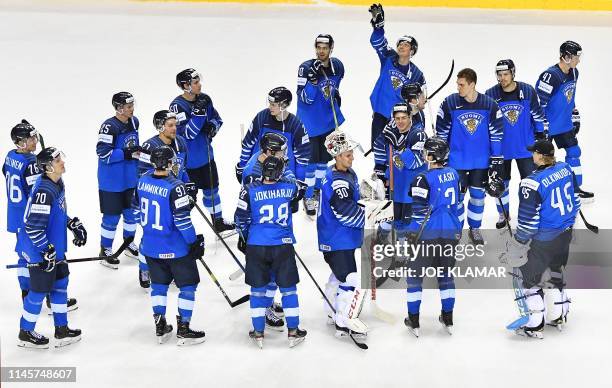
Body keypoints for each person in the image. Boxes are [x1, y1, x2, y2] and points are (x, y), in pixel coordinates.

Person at [499, 139, 579, 338]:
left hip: (544, 239)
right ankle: (558, 314)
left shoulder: (531, 183)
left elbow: (528, 222)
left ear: (540, 156)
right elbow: (576, 199)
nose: (531, 155)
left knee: (529, 281)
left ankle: (534, 324)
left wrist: (518, 243)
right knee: (555, 271)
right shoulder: (566, 168)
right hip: (565, 233)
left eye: (534, 152)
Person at [136, 145, 206, 346]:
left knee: (158, 286)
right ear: (168, 163)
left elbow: (138, 204)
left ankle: (160, 325)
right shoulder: (176, 186)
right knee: (188, 287)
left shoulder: (142, 181)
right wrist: (194, 242)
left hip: (150, 246)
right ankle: (183, 328)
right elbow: (182, 221)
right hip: (175, 248)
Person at [234, 155, 306, 349]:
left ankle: (258, 332)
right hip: (282, 245)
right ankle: (293, 331)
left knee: (257, 291)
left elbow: (239, 220)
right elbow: (301, 187)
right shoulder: (289, 188)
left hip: (256, 245)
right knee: (288, 290)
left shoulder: (248, 190)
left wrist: (248, 237)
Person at [17, 147, 86, 348]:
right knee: (39, 291)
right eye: (57, 161)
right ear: (48, 167)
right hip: (39, 250)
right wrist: (45, 251)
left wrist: (71, 223)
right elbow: (33, 226)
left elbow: (56, 213)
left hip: (54, 248)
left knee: (60, 283)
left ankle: (61, 329)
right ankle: (25, 331)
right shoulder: (44, 192)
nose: (62, 162)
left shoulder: (57, 182)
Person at [435, 68, 504, 245]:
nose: (458, 88)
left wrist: (496, 160)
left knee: (477, 196)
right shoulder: (449, 102)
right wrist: (439, 156)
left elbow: (496, 133)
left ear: (472, 84)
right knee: (456, 198)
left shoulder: (489, 104)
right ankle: (456, 230)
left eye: (462, 84)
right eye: (457, 84)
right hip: (455, 162)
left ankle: (475, 228)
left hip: (480, 162)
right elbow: (441, 133)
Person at [404, 137, 462, 337]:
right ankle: (448, 317)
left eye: (425, 151)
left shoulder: (422, 179)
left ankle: (414, 320)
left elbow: (419, 214)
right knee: (446, 276)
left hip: (427, 235)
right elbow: (458, 205)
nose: (423, 154)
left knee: (414, 278)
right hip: (450, 233)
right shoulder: (453, 174)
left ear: (431, 155)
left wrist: (410, 237)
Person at [240, 132, 297, 330]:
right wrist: (245, 236)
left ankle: (267, 303)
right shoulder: (254, 172)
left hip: (268, 233)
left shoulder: (269, 164)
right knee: (268, 275)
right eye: (281, 151)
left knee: (273, 274)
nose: (284, 154)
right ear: (269, 151)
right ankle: (265, 310)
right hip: (264, 234)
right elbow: (247, 208)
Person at [135, 110, 198, 289]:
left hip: (173, 192)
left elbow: (181, 168)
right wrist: (167, 187)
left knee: (174, 230)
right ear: (160, 127)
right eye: (170, 125)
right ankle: (144, 267)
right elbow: (143, 174)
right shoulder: (149, 146)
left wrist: (188, 184)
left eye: (175, 125)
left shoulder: (181, 143)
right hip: (156, 195)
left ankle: (167, 265)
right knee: (149, 234)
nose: (174, 128)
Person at [170, 68, 234, 233]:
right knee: (187, 199)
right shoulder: (177, 107)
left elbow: (217, 119)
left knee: (212, 191)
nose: (199, 85)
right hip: (187, 163)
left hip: (206, 157)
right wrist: (198, 115)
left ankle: (218, 221)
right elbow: (188, 134)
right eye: (195, 82)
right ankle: (178, 229)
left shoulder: (205, 99)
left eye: (199, 81)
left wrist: (212, 127)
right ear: (186, 85)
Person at [318, 130, 368, 339]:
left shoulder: (344, 173)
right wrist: (374, 216)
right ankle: (344, 319)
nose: (352, 157)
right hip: (337, 239)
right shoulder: (337, 182)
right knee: (352, 279)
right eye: (347, 154)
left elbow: (351, 199)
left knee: (337, 277)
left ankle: (332, 309)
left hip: (338, 239)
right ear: (337, 156)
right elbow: (347, 214)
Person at [485, 59, 547, 229]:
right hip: (501, 150)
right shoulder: (490, 94)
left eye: (506, 74)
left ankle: (528, 213)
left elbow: (538, 115)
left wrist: (541, 137)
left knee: (529, 183)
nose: (502, 78)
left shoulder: (527, 91)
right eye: (499, 75)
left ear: (513, 73)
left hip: (526, 148)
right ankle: (503, 214)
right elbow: (486, 123)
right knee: (501, 184)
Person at [235, 86, 310, 213]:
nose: (270, 107)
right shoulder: (262, 117)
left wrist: (299, 182)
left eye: (274, 104)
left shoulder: (296, 125)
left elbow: (302, 159)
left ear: (284, 104)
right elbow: (248, 143)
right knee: (253, 209)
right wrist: (242, 165)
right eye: (269, 103)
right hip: (258, 171)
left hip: (283, 175)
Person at [535, 41, 593, 200]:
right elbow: (539, 102)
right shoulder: (550, 76)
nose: (578, 60)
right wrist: (542, 125)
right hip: (548, 126)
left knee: (574, 152)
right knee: (543, 160)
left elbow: (570, 96)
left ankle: (575, 188)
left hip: (564, 124)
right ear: (566, 57)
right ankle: (542, 194)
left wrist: (574, 112)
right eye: (576, 57)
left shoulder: (574, 73)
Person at [297, 34, 345, 216]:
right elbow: (305, 99)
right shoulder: (305, 68)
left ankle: (318, 190)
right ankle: (308, 195)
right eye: (318, 47)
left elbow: (335, 87)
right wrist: (313, 81)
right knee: (311, 163)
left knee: (324, 161)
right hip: (308, 123)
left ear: (331, 49)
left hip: (327, 122)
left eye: (325, 48)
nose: (321, 51)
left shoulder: (338, 66)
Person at [367, 3, 426, 149]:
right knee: (379, 150)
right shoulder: (388, 58)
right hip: (381, 112)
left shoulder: (417, 74)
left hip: (400, 118)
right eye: (400, 44)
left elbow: (421, 103)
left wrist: (415, 100)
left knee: (398, 153)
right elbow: (377, 42)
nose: (401, 46)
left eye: (405, 45)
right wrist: (378, 28)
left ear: (412, 50)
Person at [96, 92, 141, 269]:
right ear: (119, 108)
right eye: (128, 107)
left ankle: (128, 243)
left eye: (132, 106)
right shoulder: (109, 127)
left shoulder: (134, 121)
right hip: (111, 182)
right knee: (112, 217)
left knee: (131, 214)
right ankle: (105, 249)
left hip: (130, 179)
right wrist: (127, 153)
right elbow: (103, 153)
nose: (132, 109)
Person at [372, 102, 427, 239]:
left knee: (406, 224)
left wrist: (401, 146)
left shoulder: (418, 135)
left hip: (411, 189)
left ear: (410, 117)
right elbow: (378, 149)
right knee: (389, 217)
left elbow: (414, 163)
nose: (400, 122)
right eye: (397, 118)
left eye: (404, 117)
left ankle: (402, 252)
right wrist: (381, 175)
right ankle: (381, 237)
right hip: (394, 185)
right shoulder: (389, 133)